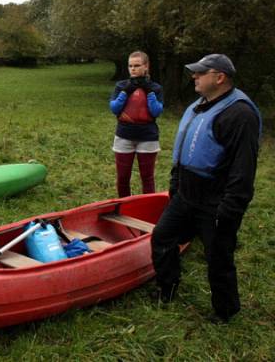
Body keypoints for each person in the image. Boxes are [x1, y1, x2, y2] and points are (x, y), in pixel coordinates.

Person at [151, 54, 262, 323]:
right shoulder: (200, 105)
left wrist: (229, 209)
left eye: (201, 73)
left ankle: (225, 311)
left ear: (219, 77)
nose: (194, 77)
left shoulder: (240, 114)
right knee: (162, 237)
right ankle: (168, 287)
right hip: (186, 193)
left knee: (218, 257)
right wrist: (175, 185)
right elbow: (184, 155)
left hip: (216, 199)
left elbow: (243, 168)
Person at [108, 51, 164, 196]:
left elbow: (156, 112)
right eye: (130, 66)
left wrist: (149, 92)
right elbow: (114, 108)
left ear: (146, 67)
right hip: (124, 135)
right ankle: (124, 209)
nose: (133, 69)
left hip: (147, 137)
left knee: (147, 178)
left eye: (137, 65)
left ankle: (148, 209)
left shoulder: (155, 88)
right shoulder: (121, 86)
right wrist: (125, 92)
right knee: (122, 178)